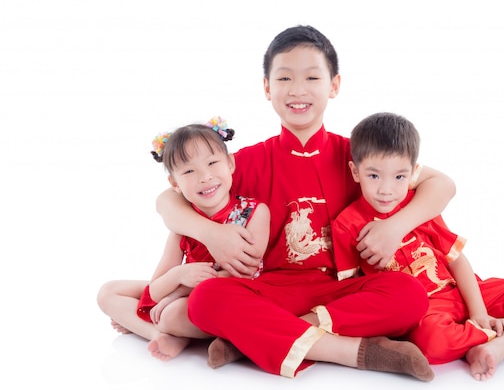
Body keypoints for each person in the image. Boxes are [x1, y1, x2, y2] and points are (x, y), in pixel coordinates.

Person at [155, 25, 457, 380]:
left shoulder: (358, 158)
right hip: (268, 289)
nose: (297, 90)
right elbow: (168, 199)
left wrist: (395, 227)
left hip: (342, 291)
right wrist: (211, 234)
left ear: (334, 85)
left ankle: (253, 338)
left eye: (312, 77)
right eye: (284, 78)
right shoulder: (245, 161)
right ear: (267, 88)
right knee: (208, 299)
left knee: (410, 295)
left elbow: (443, 184)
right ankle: (353, 352)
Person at [331, 111, 504, 381]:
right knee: (432, 342)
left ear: (412, 173)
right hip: (424, 311)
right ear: (355, 171)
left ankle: (498, 344)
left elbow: (456, 259)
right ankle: (490, 338)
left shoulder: (418, 206)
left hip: (464, 291)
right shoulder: (347, 225)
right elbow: (352, 289)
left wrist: (479, 312)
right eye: (374, 176)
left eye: (399, 177)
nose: (386, 189)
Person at [97, 117, 270, 361]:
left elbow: (245, 272)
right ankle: (158, 334)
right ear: (174, 183)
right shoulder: (182, 225)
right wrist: (178, 275)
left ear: (231, 163)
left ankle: (167, 328)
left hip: (229, 296)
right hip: (184, 288)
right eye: (189, 171)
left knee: (171, 313)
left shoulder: (253, 212)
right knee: (108, 292)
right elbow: (156, 289)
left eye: (212, 163)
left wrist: (175, 294)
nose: (205, 177)